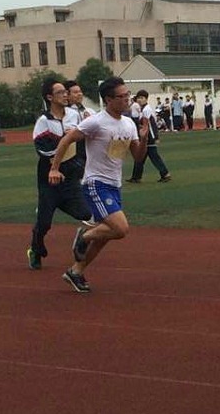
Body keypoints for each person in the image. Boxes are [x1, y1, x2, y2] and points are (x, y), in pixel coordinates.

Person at [47, 76, 148, 293]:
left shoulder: (128, 123)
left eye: (127, 95)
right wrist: (54, 168)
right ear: (109, 100)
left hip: (114, 184)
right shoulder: (96, 122)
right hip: (96, 183)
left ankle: (76, 271)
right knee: (120, 228)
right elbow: (66, 140)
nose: (127, 99)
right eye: (121, 96)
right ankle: (84, 235)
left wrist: (144, 138)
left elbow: (138, 157)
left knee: (104, 236)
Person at [26, 78, 92, 270]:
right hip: (49, 178)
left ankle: (62, 209)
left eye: (65, 92)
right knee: (44, 224)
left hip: (70, 176)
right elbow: (42, 149)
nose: (65, 95)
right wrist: (65, 140)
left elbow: (82, 141)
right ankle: (35, 249)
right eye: (60, 92)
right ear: (49, 97)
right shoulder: (44, 121)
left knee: (86, 213)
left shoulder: (74, 115)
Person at [127, 90, 171, 183]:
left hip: (148, 137)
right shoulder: (143, 109)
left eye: (142, 98)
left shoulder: (146, 109)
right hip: (146, 137)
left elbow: (150, 124)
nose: (140, 100)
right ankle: (136, 177)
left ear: (146, 99)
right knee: (140, 157)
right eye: (138, 98)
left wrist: (154, 137)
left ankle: (165, 174)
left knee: (152, 157)